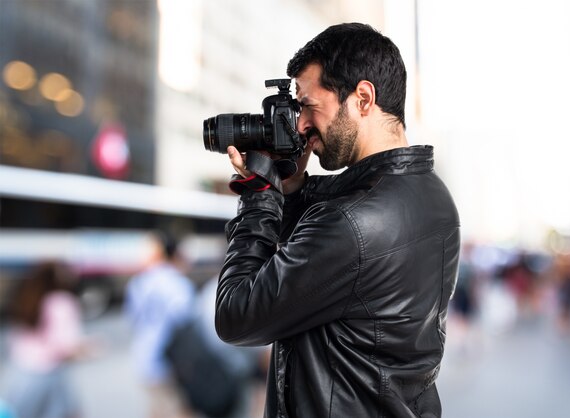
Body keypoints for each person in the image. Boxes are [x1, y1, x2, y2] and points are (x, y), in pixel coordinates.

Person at [214, 23, 461, 418]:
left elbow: (236, 315)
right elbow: (330, 273)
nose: (302, 125)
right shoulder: (431, 194)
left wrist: (260, 194)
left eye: (309, 106)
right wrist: (291, 189)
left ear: (362, 98)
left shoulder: (352, 222)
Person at [2, 261, 89, 418]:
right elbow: (67, 346)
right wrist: (89, 349)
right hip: (49, 374)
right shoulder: (61, 301)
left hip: (22, 373)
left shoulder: (26, 297)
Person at [124, 233, 195, 418]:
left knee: (157, 409)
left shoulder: (138, 282)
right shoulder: (178, 283)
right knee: (179, 410)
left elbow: (133, 318)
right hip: (170, 361)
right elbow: (185, 323)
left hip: (144, 355)